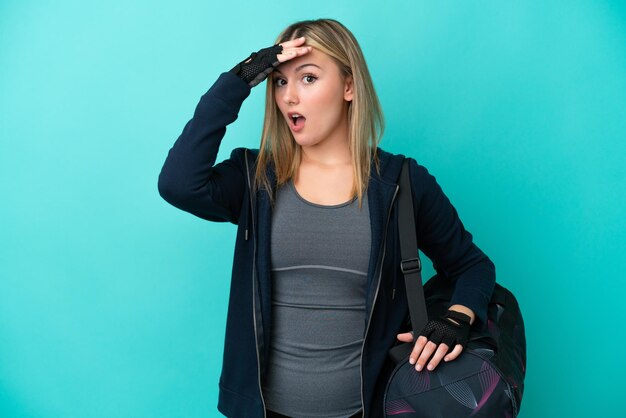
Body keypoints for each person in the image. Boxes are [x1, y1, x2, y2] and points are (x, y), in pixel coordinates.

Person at [158, 18, 495, 418]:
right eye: (279, 82)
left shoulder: (400, 184)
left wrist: (457, 317)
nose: (289, 97)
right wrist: (239, 79)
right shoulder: (256, 179)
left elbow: (473, 266)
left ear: (349, 87)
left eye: (308, 78)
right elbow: (178, 183)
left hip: (369, 411)